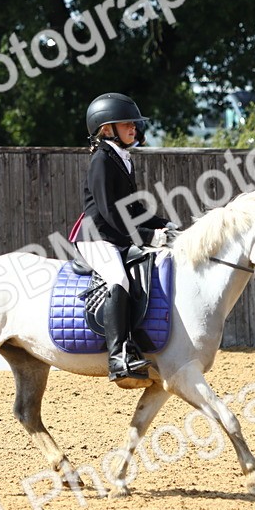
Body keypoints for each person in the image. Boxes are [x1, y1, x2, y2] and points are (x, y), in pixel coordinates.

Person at [71, 92, 177, 383]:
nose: (134, 127)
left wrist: (165, 225)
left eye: (133, 123)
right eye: (127, 123)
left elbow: (134, 209)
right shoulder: (101, 160)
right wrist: (147, 236)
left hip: (116, 235)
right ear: (107, 129)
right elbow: (109, 212)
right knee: (119, 278)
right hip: (97, 237)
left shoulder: (122, 159)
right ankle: (118, 356)